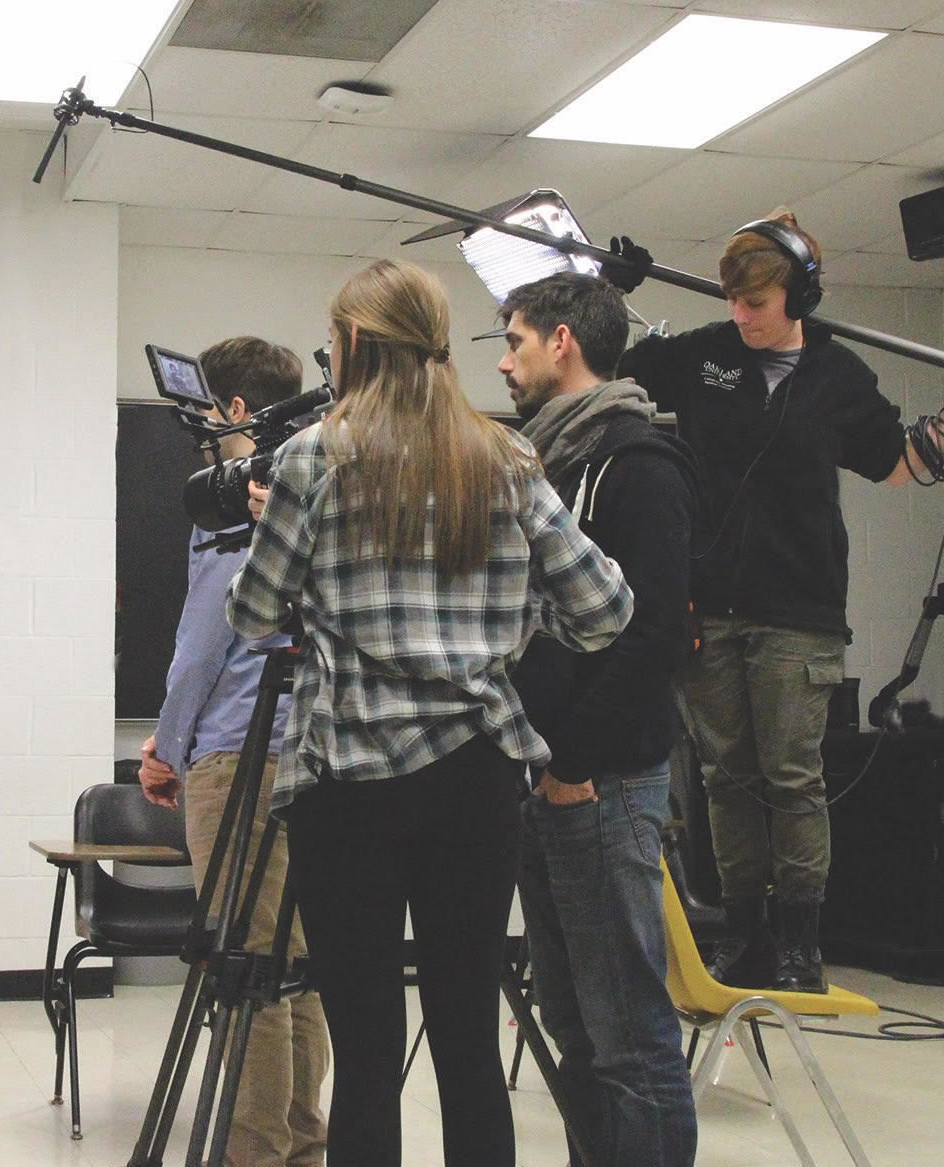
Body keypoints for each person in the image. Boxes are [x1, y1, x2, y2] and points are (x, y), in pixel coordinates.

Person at [227, 259, 633, 1167]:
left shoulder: (310, 458)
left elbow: (253, 615)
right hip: (478, 782)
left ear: (356, 344)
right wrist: (515, 622)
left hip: (351, 791)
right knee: (467, 1043)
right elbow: (605, 611)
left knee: (369, 1056)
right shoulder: (507, 455)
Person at [610, 209, 944, 993]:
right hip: (711, 605)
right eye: (732, 300)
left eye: (755, 302)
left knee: (791, 779)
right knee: (728, 777)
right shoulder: (705, 358)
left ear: (800, 298)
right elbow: (612, 372)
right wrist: (608, 288)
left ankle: (799, 941)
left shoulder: (839, 378)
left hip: (800, 610)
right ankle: (743, 931)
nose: (741, 316)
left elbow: (901, 464)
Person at [497, 272, 698, 1165]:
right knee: (574, 1023)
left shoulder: (639, 462)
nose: (506, 363)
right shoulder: (546, 457)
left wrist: (573, 759)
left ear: (563, 342)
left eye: (516, 342)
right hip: (548, 779)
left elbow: (654, 632)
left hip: (601, 780)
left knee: (629, 1035)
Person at [138, 336, 331, 1167]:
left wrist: (166, 749)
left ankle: (252, 1152)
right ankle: (300, 1143)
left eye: (210, 409)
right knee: (300, 965)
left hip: (236, 756)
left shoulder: (238, 507)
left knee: (246, 969)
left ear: (240, 412)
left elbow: (202, 648)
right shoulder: (318, 484)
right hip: (314, 752)